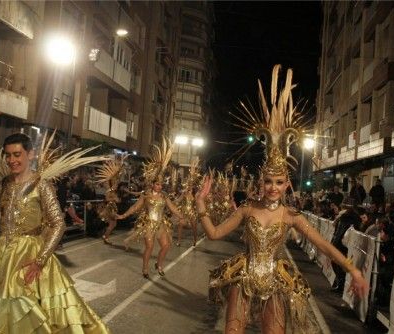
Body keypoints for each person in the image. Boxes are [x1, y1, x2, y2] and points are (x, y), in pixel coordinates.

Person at [194, 66, 369, 333]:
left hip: (276, 283)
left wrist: (353, 270)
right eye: (268, 181)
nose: (273, 187)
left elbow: (323, 245)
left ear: (287, 184)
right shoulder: (247, 209)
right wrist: (201, 204)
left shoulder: (291, 216)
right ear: (260, 182)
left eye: (278, 182)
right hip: (243, 278)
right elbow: (215, 234)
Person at [0, 112, 110, 333]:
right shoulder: (3, 183)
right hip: (3, 253)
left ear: (30, 154)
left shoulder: (41, 185)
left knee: (32, 311)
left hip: (31, 254)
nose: (12, 160)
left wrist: (40, 260)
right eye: (8, 156)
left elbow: (58, 223)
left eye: (17, 155)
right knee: (3, 310)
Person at [119, 139, 185, 279]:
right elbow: (136, 206)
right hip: (148, 224)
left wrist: (180, 215)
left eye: (161, 185)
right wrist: (124, 215)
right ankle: (145, 268)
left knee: (166, 245)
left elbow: (172, 207)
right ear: (152, 184)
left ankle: (159, 264)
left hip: (160, 224)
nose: (159, 187)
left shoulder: (164, 195)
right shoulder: (146, 195)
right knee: (149, 247)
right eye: (157, 184)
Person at [96, 155, 127, 245]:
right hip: (109, 208)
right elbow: (107, 198)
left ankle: (105, 236)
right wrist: (114, 199)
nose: (116, 183)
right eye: (115, 182)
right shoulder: (110, 189)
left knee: (113, 224)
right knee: (113, 224)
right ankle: (105, 236)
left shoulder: (112, 189)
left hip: (111, 207)